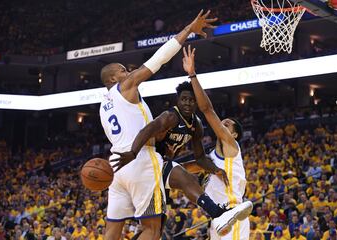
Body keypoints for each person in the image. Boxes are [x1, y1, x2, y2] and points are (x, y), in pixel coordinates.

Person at [99, 10, 218, 240]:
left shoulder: (103, 106)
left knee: (111, 230)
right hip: (138, 159)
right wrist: (187, 30)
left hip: (115, 165)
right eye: (123, 70)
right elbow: (158, 59)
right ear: (113, 79)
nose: (129, 71)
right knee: (152, 229)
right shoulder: (125, 87)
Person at [112, 57, 252, 236]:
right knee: (186, 179)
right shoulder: (170, 116)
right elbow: (147, 129)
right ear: (178, 100)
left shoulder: (198, 127)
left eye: (191, 100)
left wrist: (214, 169)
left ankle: (219, 214)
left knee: (155, 228)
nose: (187, 103)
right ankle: (218, 212)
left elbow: (200, 159)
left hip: (161, 170)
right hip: (147, 162)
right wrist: (132, 152)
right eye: (183, 99)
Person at [182, 46, 253, 239]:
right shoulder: (211, 157)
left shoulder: (232, 147)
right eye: (223, 122)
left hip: (234, 214)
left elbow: (206, 109)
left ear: (235, 135)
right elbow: (187, 169)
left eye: (228, 125)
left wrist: (192, 75)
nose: (223, 123)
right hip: (218, 218)